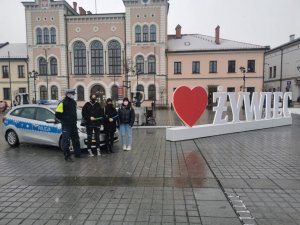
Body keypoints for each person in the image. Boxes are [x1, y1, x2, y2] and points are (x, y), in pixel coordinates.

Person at [55, 89, 82, 162]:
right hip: (66, 125)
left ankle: (78, 154)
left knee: (76, 139)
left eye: (74, 94)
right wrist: (65, 119)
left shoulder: (73, 102)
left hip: (73, 124)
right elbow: (57, 114)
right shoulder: (62, 103)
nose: (74, 95)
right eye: (72, 94)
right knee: (66, 141)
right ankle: (67, 156)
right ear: (68, 94)